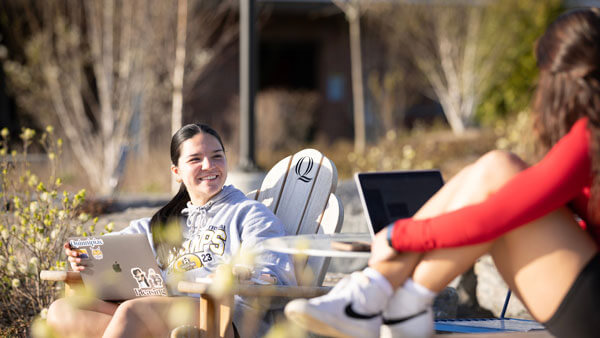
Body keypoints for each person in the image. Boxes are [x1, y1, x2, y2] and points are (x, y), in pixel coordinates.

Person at [285, 7, 600, 338]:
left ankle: (380, 298)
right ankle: (388, 301)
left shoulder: (589, 139)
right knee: (493, 169)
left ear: (560, 79)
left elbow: (491, 218)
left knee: (498, 172)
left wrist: (397, 235)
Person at [47, 124, 296, 337]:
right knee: (62, 310)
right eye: (195, 159)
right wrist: (84, 257)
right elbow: (109, 248)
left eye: (217, 156)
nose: (209, 165)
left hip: (224, 316)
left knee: (133, 310)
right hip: (165, 314)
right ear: (177, 172)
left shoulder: (249, 214)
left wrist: (241, 273)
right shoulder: (164, 222)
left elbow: (274, 273)